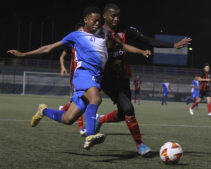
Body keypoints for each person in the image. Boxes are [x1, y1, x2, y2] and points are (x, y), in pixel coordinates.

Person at [7, 6, 151, 150]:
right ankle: (89, 135)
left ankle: (43, 111)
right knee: (96, 99)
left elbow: (123, 46)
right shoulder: (76, 35)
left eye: (99, 21)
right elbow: (49, 48)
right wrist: (24, 54)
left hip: (95, 78)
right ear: (85, 20)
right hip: (83, 74)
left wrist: (141, 51)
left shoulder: (105, 34)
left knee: (68, 118)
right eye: (94, 21)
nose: (97, 24)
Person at [93, 3, 191, 156]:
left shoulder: (126, 30)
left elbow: (146, 40)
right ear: (104, 16)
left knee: (122, 113)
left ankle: (100, 119)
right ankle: (140, 145)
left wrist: (173, 45)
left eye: (118, 15)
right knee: (129, 109)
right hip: (107, 79)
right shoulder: (97, 33)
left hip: (123, 77)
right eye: (113, 15)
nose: (116, 18)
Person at [59, 22, 87, 136]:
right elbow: (62, 56)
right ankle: (81, 128)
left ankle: (63, 108)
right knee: (79, 99)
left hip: (85, 75)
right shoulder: (71, 43)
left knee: (83, 100)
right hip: (74, 75)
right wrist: (62, 67)